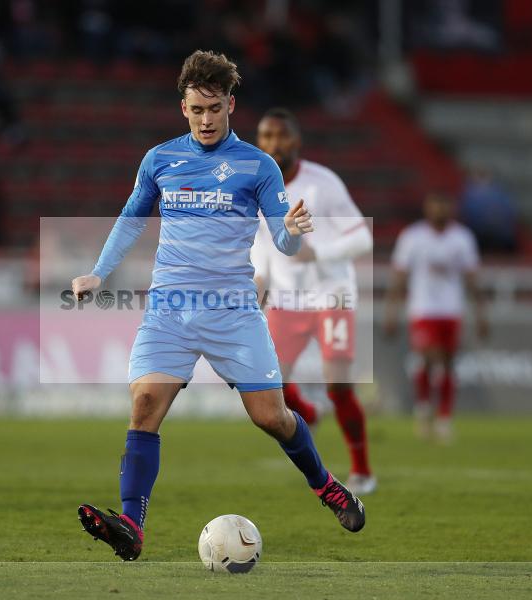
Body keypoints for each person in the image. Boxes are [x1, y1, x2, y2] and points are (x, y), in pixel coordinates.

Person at [71, 50, 365, 562]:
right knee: (144, 406)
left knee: (271, 418)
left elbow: (284, 240)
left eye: (215, 109)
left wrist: (292, 234)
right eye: (196, 110)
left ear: (231, 104)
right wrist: (100, 271)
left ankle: (326, 485)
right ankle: (132, 527)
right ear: (182, 108)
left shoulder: (258, 165)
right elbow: (131, 219)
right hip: (171, 309)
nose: (206, 119)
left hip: (232, 310)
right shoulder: (160, 159)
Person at [251, 107, 376, 495]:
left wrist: (318, 253)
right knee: (272, 385)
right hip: (286, 300)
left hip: (331, 296)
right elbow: (261, 248)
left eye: (281, 136)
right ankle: (307, 415)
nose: (274, 144)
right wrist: (257, 284)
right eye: (267, 137)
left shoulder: (323, 183)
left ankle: (362, 470)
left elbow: (362, 238)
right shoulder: (255, 186)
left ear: (296, 141)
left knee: (338, 385)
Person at [383, 192, 489, 442]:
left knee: (448, 363)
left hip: (451, 310)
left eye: (444, 203)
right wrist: (391, 310)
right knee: (430, 356)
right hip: (423, 309)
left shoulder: (462, 238)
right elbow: (399, 276)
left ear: (450, 208)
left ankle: (443, 418)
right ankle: (423, 410)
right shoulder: (412, 237)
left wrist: (481, 313)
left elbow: (472, 278)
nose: (440, 209)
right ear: (427, 207)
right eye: (436, 204)